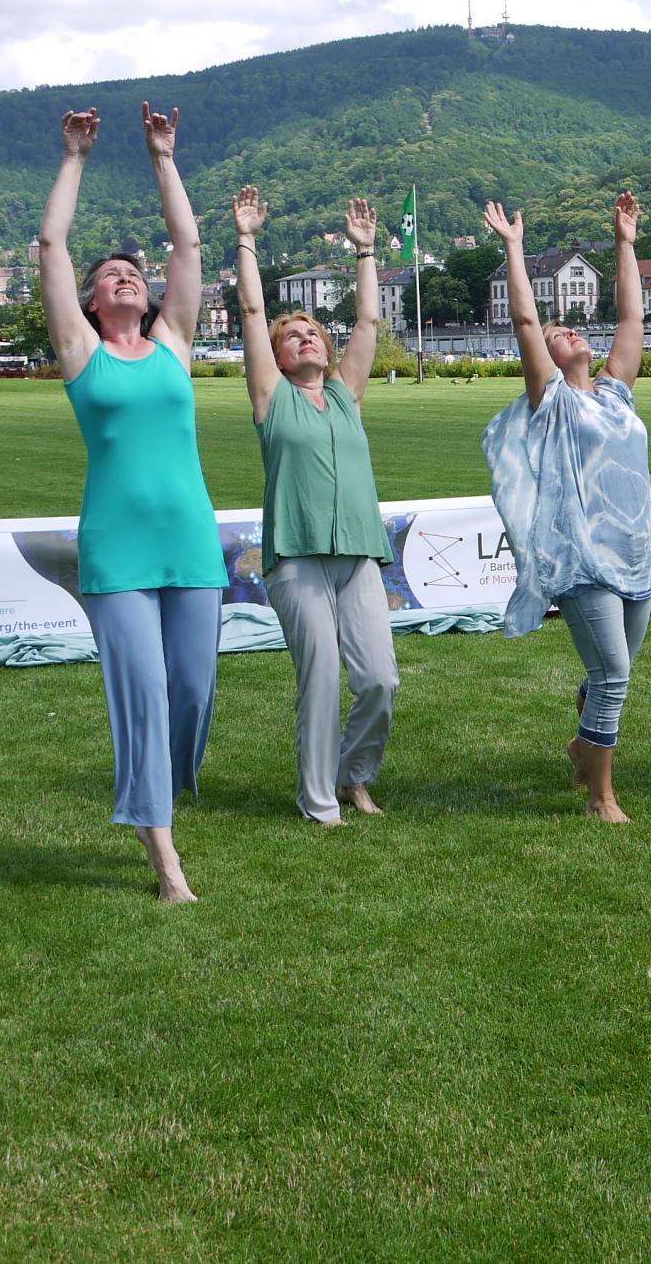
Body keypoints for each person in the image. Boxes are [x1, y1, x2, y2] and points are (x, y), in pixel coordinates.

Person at [37, 104, 224, 902]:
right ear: (88, 300)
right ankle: (164, 855)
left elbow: (187, 245)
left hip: (189, 542)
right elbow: (50, 245)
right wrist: (75, 156)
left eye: (132, 272)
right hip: (116, 551)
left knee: (191, 689)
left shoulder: (175, 343)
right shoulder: (83, 355)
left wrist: (163, 156)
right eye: (108, 273)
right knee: (142, 695)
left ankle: (166, 786)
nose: (124, 275)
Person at [483, 191, 651, 823]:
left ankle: (584, 739)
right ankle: (600, 795)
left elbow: (633, 321)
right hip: (581, 555)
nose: (567, 331)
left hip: (637, 552)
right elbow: (527, 324)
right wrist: (513, 247)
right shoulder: (551, 401)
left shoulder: (617, 395)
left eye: (572, 327)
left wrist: (624, 243)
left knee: (613, 674)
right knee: (613, 673)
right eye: (559, 334)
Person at [232, 186, 399, 824]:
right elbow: (251, 310)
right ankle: (319, 801)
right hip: (297, 559)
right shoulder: (273, 399)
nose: (305, 339)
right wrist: (247, 240)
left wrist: (365, 253)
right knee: (322, 678)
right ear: (275, 357)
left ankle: (355, 775)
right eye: (292, 336)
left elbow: (369, 324)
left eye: (311, 333)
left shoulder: (348, 394)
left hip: (357, 555)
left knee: (380, 680)